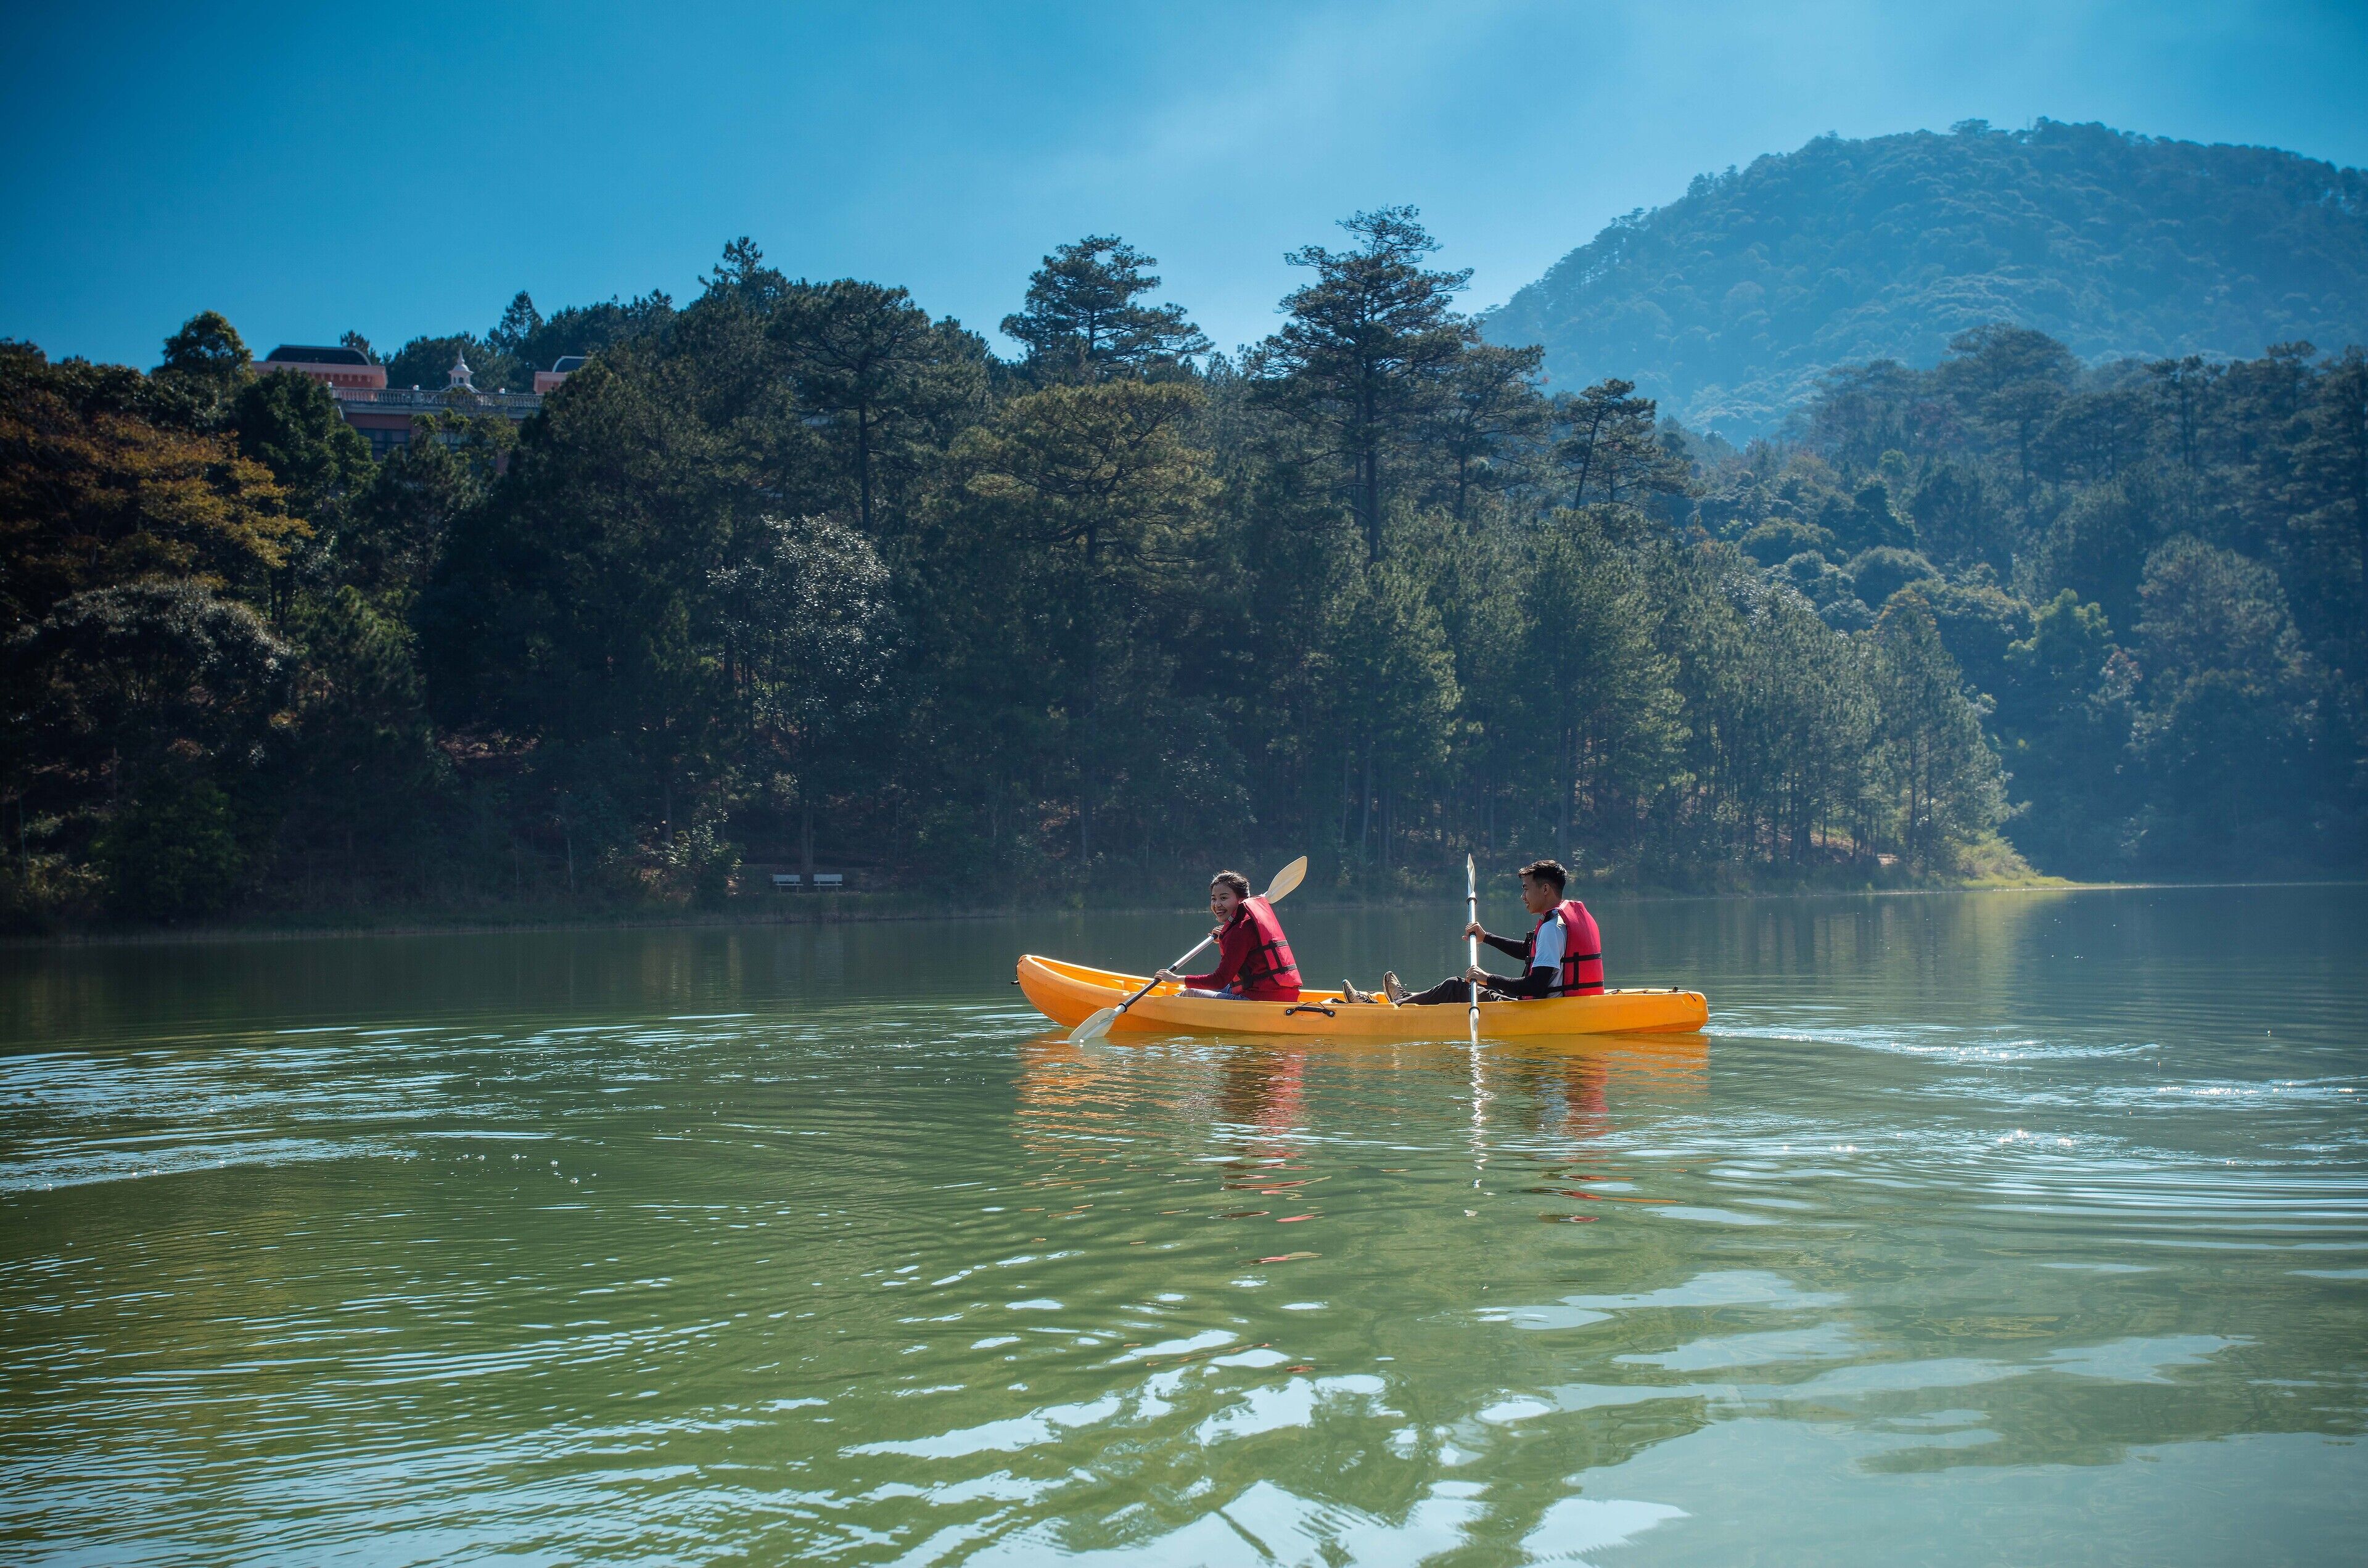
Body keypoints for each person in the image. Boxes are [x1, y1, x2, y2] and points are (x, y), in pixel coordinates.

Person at [1353, 859, 1603, 1006]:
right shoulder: (1560, 922)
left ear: (1545, 889)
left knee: (1455, 986)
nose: (1523, 896)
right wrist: (1487, 938)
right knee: (1472, 986)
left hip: (1542, 1009)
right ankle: (1408, 999)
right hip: (1558, 1003)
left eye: (1526, 888)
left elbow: (1536, 986)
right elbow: (1529, 951)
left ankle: (1394, 1007)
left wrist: (1487, 977)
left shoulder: (1551, 927)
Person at [1155, 870, 1302, 1001]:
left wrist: (1176, 979)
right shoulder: (1249, 923)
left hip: (1257, 1000)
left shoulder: (1239, 931)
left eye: (1224, 898)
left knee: (1190, 993)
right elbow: (1249, 946)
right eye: (1214, 899)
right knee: (1224, 988)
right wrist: (1224, 938)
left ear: (1241, 900)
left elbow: (1219, 980)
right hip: (1281, 995)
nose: (1217, 904)